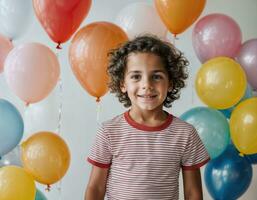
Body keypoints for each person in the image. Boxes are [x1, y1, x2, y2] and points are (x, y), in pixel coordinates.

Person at [85, 35, 210, 200]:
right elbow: (95, 188)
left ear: (171, 82)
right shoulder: (109, 131)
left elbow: (193, 193)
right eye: (136, 76)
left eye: (156, 76)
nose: (147, 85)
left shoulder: (185, 133)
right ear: (123, 84)